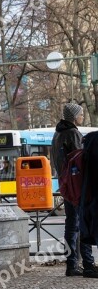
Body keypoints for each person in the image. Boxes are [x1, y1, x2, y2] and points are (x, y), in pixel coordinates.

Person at [52, 102, 97, 277]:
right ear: (73, 117)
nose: (82, 116)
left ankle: (71, 265)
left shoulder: (58, 134)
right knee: (82, 224)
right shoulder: (73, 133)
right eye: (80, 114)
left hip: (65, 185)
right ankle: (88, 265)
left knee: (71, 225)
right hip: (77, 186)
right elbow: (81, 159)